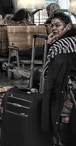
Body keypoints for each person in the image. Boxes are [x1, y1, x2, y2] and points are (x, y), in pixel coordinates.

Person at [40, 12, 76, 145]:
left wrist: (49, 45)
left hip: (65, 87)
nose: (54, 28)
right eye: (52, 26)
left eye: (58, 25)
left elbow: (47, 70)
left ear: (68, 26)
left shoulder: (60, 45)